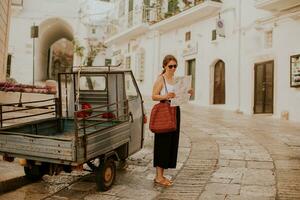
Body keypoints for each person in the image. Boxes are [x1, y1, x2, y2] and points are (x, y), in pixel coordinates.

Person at [151, 55, 192, 187]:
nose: (173, 68)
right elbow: (153, 96)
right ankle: (158, 177)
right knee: (162, 143)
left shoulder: (176, 80)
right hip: (164, 111)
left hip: (175, 111)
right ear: (164, 66)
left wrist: (188, 92)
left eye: (175, 66)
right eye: (170, 66)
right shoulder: (161, 79)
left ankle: (161, 175)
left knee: (170, 143)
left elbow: (180, 96)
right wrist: (166, 96)